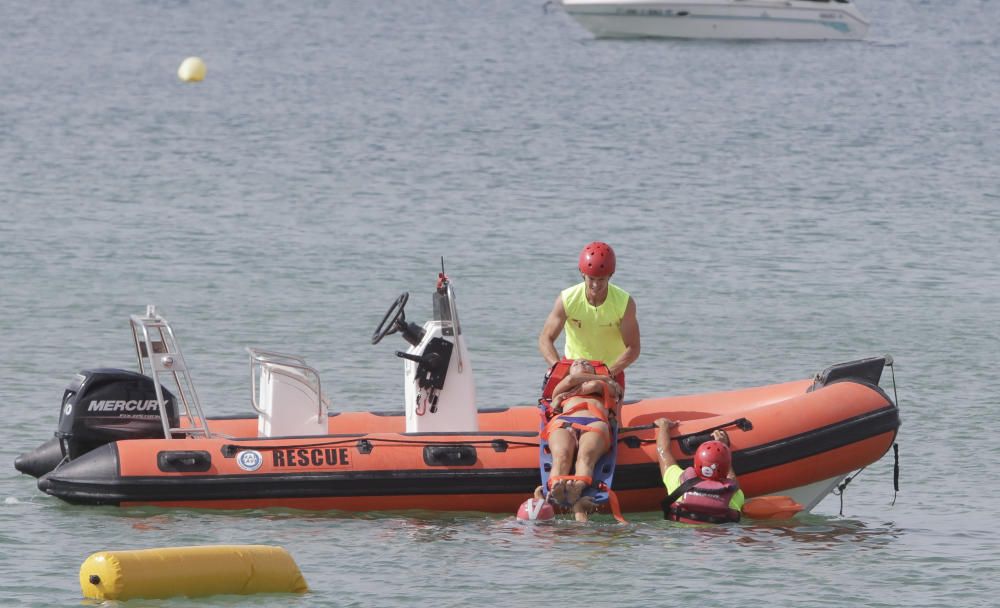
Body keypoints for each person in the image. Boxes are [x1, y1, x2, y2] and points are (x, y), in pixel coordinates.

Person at [538, 242, 640, 392]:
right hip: (574, 369)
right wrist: (558, 367)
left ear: (610, 275)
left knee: (601, 403)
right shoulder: (567, 299)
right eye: (591, 279)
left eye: (601, 279)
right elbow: (545, 339)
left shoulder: (624, 303)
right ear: (582, 273)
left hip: (609, 371)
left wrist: (607, 373)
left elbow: (634, 347)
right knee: (554, 400)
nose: (595, 285)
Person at [538, 359, 622, 521]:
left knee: (586, 456)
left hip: (594, 421)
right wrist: (602, 378)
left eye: (586, 363)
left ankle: (578, 486)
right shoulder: (563, 385)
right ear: (569, 372)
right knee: (561, 455)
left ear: (595, 371)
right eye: (575, 364)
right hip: (565, 421)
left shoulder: (609, 386)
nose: (581, 363)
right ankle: (556, 486)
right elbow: (571, 380)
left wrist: (568, 394)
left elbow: (594, 386)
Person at [654, 418, 745, 524]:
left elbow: (663, 451)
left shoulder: (678, 482)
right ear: (727, 465)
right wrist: (723, 445)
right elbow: (732, 480)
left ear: (696, 462)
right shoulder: (735, 495)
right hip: (719, 534)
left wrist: (664, 425)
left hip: (678, 533)